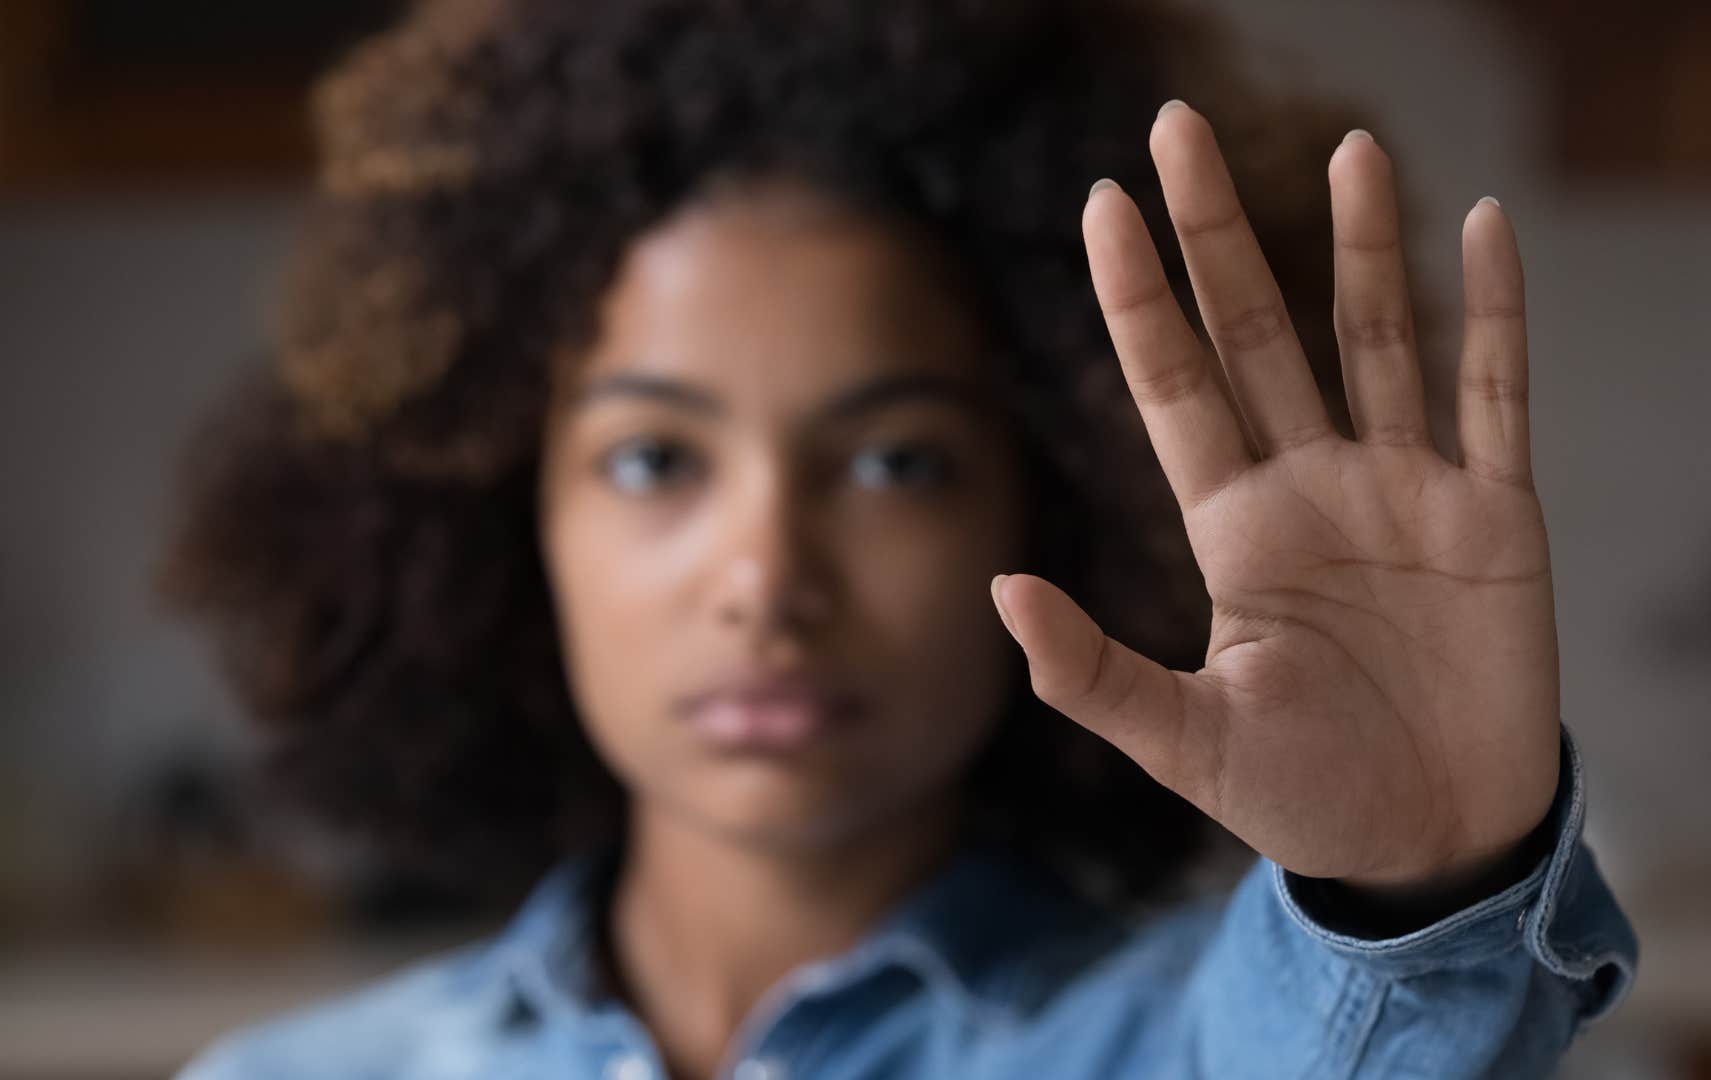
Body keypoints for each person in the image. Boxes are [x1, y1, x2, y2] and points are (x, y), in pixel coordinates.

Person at [163, 0, 1636, 1076]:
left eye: (894, 459)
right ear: (500, 522)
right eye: (654, 457)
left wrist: (1421, 890)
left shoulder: (1186, 1047)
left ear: (1056, 502)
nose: (766, 580)